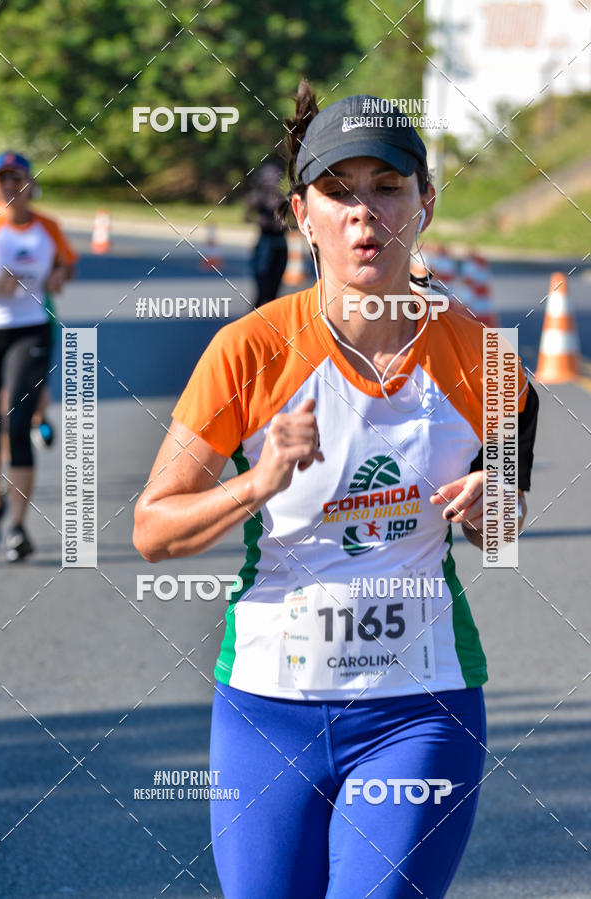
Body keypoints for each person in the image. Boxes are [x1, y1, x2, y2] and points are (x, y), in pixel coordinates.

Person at [133, 82, 539, 898]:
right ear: (300, 212)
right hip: (267, 706)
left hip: (419, 706)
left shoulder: (488, 361)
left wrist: (497, 512)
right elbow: (154, 528)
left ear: (424, 200)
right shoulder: (248, 352)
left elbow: (502, 517)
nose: (366, 215)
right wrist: (259, 485)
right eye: (338, 192)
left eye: (387, 188)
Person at [0, 151, 77, 561]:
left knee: (18, 421)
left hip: (30, 328)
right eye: (2, 179)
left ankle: (18, 528)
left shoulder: (48, 228)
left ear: (28, 184)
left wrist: (60, 275)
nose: (10, 186)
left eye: (16, 179)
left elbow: (67, 264)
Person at [245, 159, 288, 306]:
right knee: (262, 288)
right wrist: (258, 220)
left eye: (273, 175)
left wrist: (282, 224)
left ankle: (270, 323)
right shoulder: (257, 198)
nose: (270, 179)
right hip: (264, 244)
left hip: (280, 245)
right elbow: (246, 217)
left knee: (274, 290)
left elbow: (292, 222)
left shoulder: (283, 199)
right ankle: (254, 323)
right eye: (267, 175)